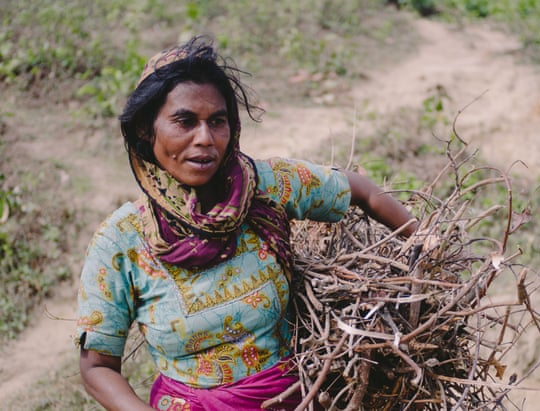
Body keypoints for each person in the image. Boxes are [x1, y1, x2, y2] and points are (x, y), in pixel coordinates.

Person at [75, 35, 417, 411]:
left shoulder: (263, 187)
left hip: (292, 399)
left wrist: (425, 245)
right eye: (184, 121)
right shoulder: (121, 241)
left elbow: (361, 190)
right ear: (146, 128)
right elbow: (97, 366)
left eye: (217, 121)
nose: (205, 139)